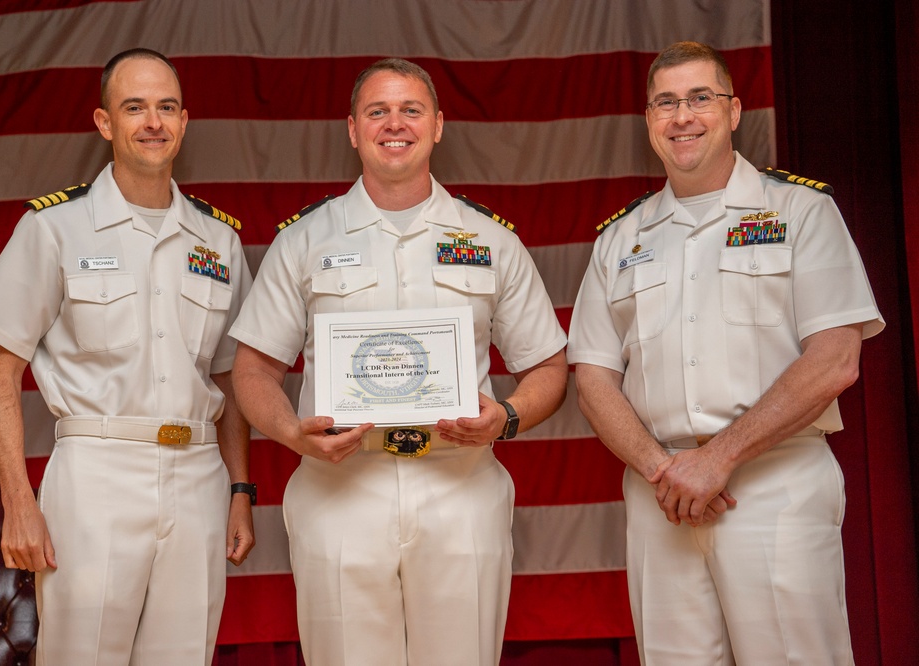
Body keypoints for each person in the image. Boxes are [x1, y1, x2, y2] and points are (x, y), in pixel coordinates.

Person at [229, 58, 567, 666]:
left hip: (460, 488)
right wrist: (288, 433)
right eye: (377, 111)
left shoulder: (491, 240)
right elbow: (252, 368)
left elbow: (547, 366)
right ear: (352, 129)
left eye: (411, 110)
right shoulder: (304, 240)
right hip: (340, 489)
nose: (395, 123)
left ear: (438, 125)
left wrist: (508, 418)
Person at [568, 41, 884, 664]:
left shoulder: (801, 211)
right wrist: (666, 470)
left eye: (699, 98)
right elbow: (593, 378)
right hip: (660, 494)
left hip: (774, 483)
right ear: (650, 121)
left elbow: (835, 359)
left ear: (735, 111)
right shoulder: (619, 239)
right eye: (665, 103)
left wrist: (719, 459)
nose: (682, 116)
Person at [0, 48, 255, 665]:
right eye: (135, 107)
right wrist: (19, 502)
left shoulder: (219, 240)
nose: (153, 122)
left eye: (167, 107)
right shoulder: (54, 229)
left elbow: (229, 376)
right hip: (95, 475)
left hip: (199, 478)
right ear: (104, 122)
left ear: (184, 120)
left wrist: (240, 489)